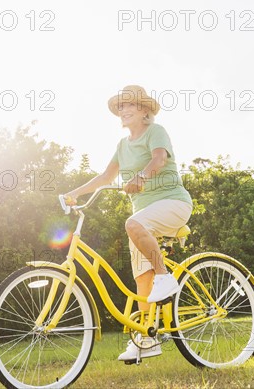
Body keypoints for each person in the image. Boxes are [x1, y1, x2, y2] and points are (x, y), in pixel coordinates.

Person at [63, 85, 193, 362]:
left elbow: (159, 158)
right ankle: (148, 338)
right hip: (144, 219)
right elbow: (105, 178)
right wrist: (75, 193)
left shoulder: (155, 132)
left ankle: (165, 277)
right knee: (141, 281)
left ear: (144, 110)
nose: (122, 111)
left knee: (133, 227)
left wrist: (143, 176)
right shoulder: (122, 145)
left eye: (128, 106)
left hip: (173, 204)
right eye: (120, 107)